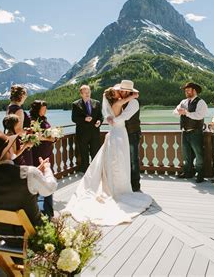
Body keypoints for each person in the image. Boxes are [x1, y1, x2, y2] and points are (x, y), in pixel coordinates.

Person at [64, 86, 152, 226]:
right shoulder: (118, 103)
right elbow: (124, 109)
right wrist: (133, 95)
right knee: (118, 160)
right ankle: (118, 187)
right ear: (114, 95)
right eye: (118, 91)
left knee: (116, 160)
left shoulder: (115, 103)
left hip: (116, 133)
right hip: (119, 133)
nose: (120, 92)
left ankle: (117, 183)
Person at [0, 127, 57, 233]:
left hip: (4, 235)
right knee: (46, 192)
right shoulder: (29, 173)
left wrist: (36, 172)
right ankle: (51, 222)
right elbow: (51, 187)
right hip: (32, 233)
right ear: (9, 150)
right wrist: (46, 169)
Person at [173, 82, 208, 183]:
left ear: (194, 91)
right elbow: (174, 112)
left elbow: (199, 116)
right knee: (186, 155)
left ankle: (200, 174)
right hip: (185, 132)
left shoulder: (201, 102)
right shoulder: (183, 101)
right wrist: (178, 111)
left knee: (198, 154)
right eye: (185, 90)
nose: (186, 92)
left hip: (196, 132)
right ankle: (188, 172)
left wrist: (186, 113)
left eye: (188, 90)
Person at [113, 80, 142, 192]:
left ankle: (135, 184)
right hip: (124, 134)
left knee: (134, 159)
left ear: (130, 92)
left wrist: (113, 121)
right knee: (125, 159)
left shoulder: (134, 102)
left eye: (125, 91)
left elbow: (125, 116)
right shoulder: (121, 101)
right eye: (121, 90)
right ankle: (127, 183)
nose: (122, 92)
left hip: (133, 134)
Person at [30, 100, 56, 219]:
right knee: (40, 176)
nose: (45, 110)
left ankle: (47, 206)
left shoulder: (44, 119)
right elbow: (36, 136)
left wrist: (54, 137)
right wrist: (49, 139)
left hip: (47, 151)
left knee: (48, 173)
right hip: (38, 151)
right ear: (37, 109)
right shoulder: (32, 120)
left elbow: (48, 133)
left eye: (45, 108)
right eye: (43, 108)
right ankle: (43, 210)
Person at [72, 85, 103, 173]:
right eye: (85, 93)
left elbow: (100, 116)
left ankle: (96, 172)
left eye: (88, 92)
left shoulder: (96, 103)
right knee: (84, 154)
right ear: (81, 94)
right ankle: (85, 172)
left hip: (94, 133)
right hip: (82, 134)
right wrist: (84, 119)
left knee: (95, 153)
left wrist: (99, 122)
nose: (87, 94)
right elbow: (74, 118)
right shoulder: (76, 104)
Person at [7, 84, 33, 166]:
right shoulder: (19, 110)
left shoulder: (9, 107)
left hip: (11, 141)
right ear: (21, 95)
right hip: (20, 143)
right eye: (25, 94)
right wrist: (31, 136)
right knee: (25, 167)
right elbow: (18, 130)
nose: (26, 96)